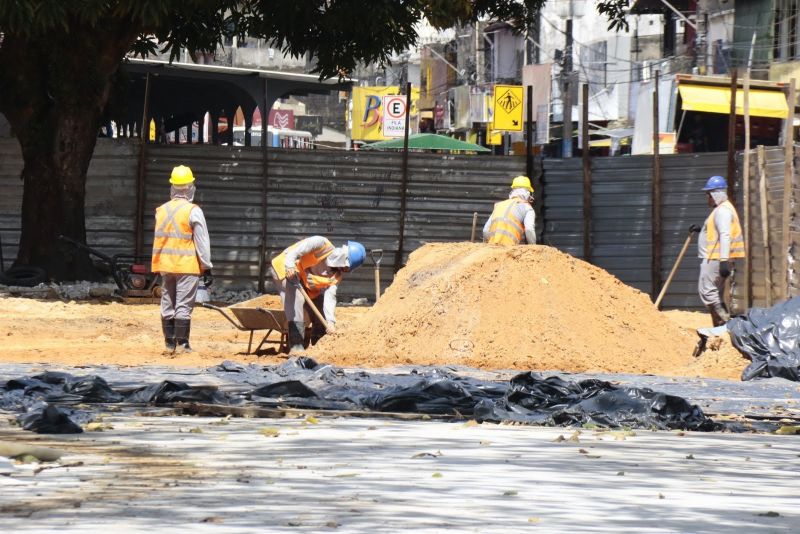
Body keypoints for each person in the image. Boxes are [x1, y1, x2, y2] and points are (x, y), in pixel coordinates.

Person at [151, 165, 213, 354]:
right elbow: (202, 242)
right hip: (187, 266)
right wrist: (207, 266)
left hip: (166, 265)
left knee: (167, 303)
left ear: (173, 187)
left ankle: (169, 344)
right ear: (189, 187)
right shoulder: (193, 211)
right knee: (184, 305)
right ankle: (183, 345)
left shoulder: (161, 210)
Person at [270, 236, 366, 353]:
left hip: (301, 279)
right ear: (344, 258)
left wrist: (330, 322)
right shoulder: (321, 244)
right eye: (346, 267)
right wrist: (289, 265)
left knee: (320, 303)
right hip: (284, 269)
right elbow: (295, 251)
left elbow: (330, 298)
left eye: (347, 269)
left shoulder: (335, 275)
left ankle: (319, 346)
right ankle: (296, 346)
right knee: (297, 299)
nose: (344, 270)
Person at [697, 175, 745, 326]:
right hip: (717, 257)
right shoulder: (723, 209)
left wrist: (724, 260)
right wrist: (701, 230)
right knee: (713, 293)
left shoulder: (722, 211)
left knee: (708, 292)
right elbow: (716, 232)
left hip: (716, 258)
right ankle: (721, 326)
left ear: (714, 194)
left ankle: (723, 324)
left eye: (708, 195)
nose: (707, 198)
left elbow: (725, 234)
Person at [483, 175, 536, 245]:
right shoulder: (527, 208)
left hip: (492, 247)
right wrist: (533, 248)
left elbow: (485, 230)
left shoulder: (499, 205)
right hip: (509, 248)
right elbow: (529, 229)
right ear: (528, 193)